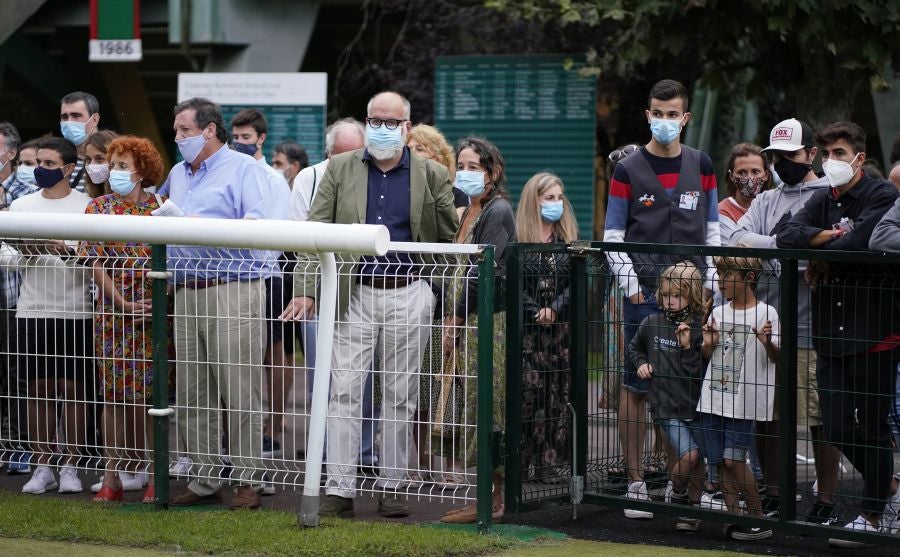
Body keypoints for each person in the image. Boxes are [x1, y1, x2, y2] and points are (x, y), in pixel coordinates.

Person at [281, 91, 457, 519]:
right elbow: (315, 232)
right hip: (352, 293)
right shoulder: (340, 168)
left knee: (400, 394)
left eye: (390, 122)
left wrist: (437, 292)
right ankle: (340, 489)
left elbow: (449, 234)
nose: (381, 127)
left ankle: (392, 485)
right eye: (374, 120)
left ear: (407, 127)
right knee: (342, 392)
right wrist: (305, 288)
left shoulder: (430, 173)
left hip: (409, 291)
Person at [777, 121, 899, 547]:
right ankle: (888, 485)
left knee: (871, 429)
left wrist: (821, 253)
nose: (831, 162)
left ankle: (872, 513)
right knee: (836, 426)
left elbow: (865, 242)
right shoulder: (820, 199)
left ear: (859, 158)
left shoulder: (882, 194)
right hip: (830, 333)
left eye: (840, 154)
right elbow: (784, 236)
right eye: (825, 154)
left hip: (874, 332)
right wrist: (826, 238)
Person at [602, 79, 719, 519]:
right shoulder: (628, 169)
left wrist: (713, 285)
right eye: (658, 113)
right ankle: (636, 484)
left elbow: (712, 230)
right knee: (637, 386)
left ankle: (682, 484)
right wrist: (631, 286)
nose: (665, 121)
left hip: (694, 296)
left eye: (674, 114)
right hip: (644, 294)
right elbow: (614, 235)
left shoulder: (702, 164)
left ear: (685, 118)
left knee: (687, 387)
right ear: (647, 115)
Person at [730, 117, 841, 523]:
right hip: (768, 326)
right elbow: (736, 240)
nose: (782, 163)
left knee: (818, 417)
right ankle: (775, 494)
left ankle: (826, 498)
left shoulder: (829, 194)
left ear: (811, 153)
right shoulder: (766, 200)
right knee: (768, 413)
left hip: (813, 324)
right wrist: (786, 244)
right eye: (776, 156)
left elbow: (830, 243)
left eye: (790, 155)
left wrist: (777, 251)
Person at [165, 97, 273, 510]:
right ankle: (205, 478)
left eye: (185, 131)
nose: (179, 138)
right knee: (192, 390)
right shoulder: (177, 173)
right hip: (187, 290)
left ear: (210, 130)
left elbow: (256, 227)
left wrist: (194, 226)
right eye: (176, 131)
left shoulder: (246, 169)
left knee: (239, 387)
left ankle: (249, 480)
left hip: (234, 287)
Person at [1, 137, 93, 495]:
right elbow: (7, 258)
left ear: (69, 169)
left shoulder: (89, 206)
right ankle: (43, 465)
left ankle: (70, 466)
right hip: (32, 309)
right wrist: (33, 252)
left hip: (76, 310)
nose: (41, 168)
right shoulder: (21, 206)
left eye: (50, 163)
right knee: (37, 391)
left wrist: (67, 252)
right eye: (38, 161)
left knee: (73, 390)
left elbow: (97, 264)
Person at [77, 136, 166, 503]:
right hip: (114, 317)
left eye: (122, 166)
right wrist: (123, 303)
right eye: (112, 165)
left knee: (152, 397)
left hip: (155, 315)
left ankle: (153, 475)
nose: (114, 172)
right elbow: (93, 261)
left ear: (142, 171)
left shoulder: (162, 208)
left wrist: (162, 298)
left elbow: (177, 259)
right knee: (113, 397)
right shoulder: (98, 208)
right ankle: (111, 475)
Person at [439, 136, 516, 524]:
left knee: (489, 405)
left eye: (474, 167)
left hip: (487, 324)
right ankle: (483, 495)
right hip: (466, 322)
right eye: (461, 166)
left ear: (493, 172)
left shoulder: (497, 211)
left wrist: (454, 318)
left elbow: (481, 272)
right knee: (471, 406)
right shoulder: (467, 209)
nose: (465, 173)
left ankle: (494, 500)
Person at [698, 256, 778, 541]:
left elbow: (776, 357)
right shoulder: (718, 311)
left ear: (749, 277)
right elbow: (707, 355)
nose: (721, 281)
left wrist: (767, 343)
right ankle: (734, 517)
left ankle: (757, 516)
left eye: (728, 274)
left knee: (734, 460)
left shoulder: (767, 312)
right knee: (719, 461)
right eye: (719, 274)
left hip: (743, 401)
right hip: (713, 397)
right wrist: (708, 343)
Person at [230, 108, 293, 465]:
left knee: (274, 350)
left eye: (246, 138)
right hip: (234, 273)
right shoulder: (232, 173)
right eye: (235, 138)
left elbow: (277, 229)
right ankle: (244, 427)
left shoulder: (273, 178)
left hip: (267, 273)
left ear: (261, 138)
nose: (240, 144)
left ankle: (273, 425)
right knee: (244, 353)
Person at [407, 123, 467, 484]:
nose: (412, 153)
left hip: (448, 299)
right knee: (415, 387)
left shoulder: (456, 196)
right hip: (413, 293)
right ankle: (420, 461)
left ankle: (451, 465)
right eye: (409, 147)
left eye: (421, 148)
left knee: (450, 386)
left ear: (438, 157)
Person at [631, 261, 706, 532]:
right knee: (690, 456)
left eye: (677, 295)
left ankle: (690, 509)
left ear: (692, 296)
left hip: (696, 406)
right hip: (666, 407)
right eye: (665, 295)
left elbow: (696, 372)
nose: (670, 301)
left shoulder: (699, 327)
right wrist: (640, 363)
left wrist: (687, 347)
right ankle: (677, 495)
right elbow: (634, 347)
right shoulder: (651, 323)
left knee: (699, 462)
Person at [514, 172, 577, 482]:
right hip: (528, 334)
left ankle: (547, 464)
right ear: (533, 200)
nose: (556, 203)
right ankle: (521, 462)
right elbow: (512, 282)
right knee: (527, 397)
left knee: (556, 397)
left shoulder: (567, 241)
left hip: (559, 334)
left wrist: (555, 309)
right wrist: (535, 310)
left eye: (559, 197)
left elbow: (576, 284)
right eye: (549, 197)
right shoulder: (519, 239)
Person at [0, 124, 34, 475]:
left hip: (14, 295)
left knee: (16, 373)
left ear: (11, 153)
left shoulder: (26, 194)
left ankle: (19, 447)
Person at [407, 124, 468, 219]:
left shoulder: (457, 197)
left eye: (419, 149)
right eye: (409, 149)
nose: (412, 153)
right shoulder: (400, 189)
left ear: (437, 160)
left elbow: (452, 232)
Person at [718, 143, 769, 245]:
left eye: (755, 172)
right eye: (742, 172)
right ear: (731, 176)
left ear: (765, 175)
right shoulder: (723, 212)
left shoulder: (772, 207)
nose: (749, 178)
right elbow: (735, 252)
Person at [59, 91, 101, 193]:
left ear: (94, 120)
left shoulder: (114, 159)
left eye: (76, 116)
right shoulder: (57, 161)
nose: (69, 122)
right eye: (64, 117)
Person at [82, 130, 119, 198]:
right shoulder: (89, 197)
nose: (91, 165)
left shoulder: (132, 195)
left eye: (99, 159)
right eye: (88, 159)